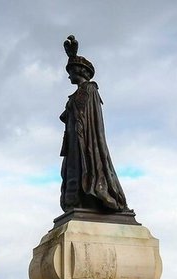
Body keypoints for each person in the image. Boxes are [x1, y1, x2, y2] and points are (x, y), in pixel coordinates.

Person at [59, 34, 129, 214]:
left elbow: (88, 117)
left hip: (87, 140)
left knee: (89, 166)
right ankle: (80, 201)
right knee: (73, 172)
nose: (68, 77)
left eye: (71, 72)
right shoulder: (75, 95)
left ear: (80, 72)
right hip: (74, 141)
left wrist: (72, 57)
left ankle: (97, 198)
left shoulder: (90, 89)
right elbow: (67, 116)